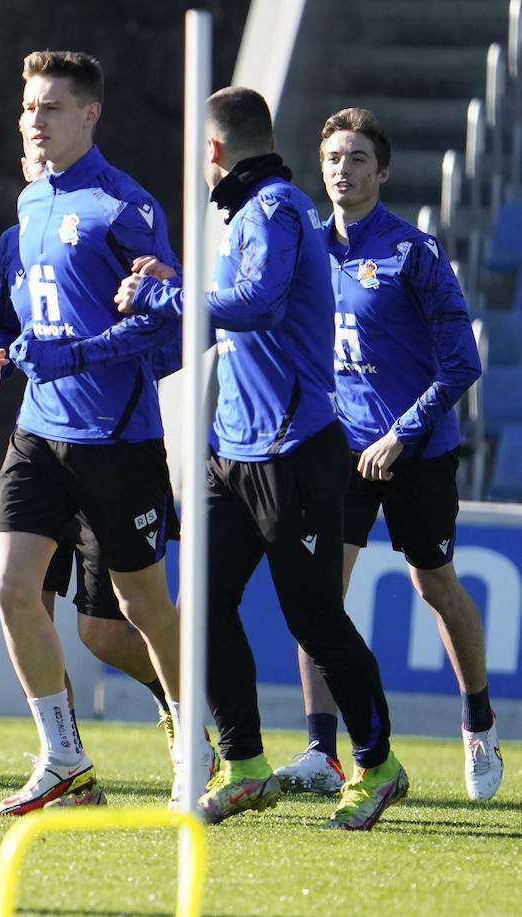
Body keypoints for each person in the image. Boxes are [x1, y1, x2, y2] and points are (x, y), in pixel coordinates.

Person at [117, 86, 409, 830]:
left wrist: (168, 296)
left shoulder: (277, 207)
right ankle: (245, 763)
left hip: (293, 451)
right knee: (200, 611)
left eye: (198, 149)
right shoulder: (245, 213)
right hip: (230, 450)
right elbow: (222, 324)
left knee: (313, 617)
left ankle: (379, 765)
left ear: (213, 149)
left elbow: (257, 303)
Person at [0, 50, 200, 816]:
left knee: (125, 621)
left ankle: (196, 736)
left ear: (90, 115)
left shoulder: (126, 207)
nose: (34, 120)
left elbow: (167, 335)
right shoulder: (28, 208)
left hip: (117, 437)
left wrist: (76, 352)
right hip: (37, 432)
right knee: (9, 586)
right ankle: (64, 757)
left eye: (50, 108)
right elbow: (18, 321)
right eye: (28, 107)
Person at [271, 107, 501, 801]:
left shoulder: (414, 252)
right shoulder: (303, 249)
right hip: (335, 450)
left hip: (417, 450)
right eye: (335, 157)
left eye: (359, 159)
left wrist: (403, 431)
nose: (344, 169)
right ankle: (321, 749)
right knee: (317, 595)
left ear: (383, 170)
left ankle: (479, 722)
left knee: (435, 586)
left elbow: (463, 364)